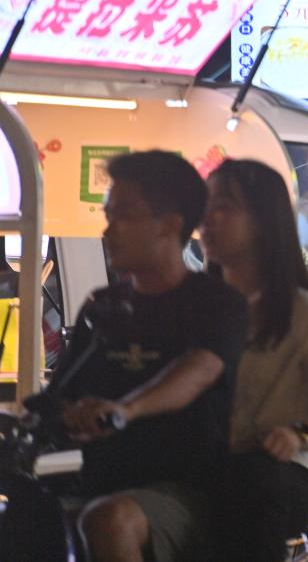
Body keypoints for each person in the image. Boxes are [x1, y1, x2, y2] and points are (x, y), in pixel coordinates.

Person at [52, 151, 248, 562]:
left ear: (170, 224)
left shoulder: (217, 304)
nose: (109, 230)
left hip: (186, 494)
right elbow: (60, 393)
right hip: (97, 484)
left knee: (108, 521)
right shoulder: (103, 306)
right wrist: (69, 414)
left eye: (124, 215)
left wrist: (126, 410)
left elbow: (198, 371)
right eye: (109, 216)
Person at [200, 159, 308, 562]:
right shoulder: (198, 309)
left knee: (248, 482)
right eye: (206, 206)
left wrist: (297, 434)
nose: (208, 218)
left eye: (224, 207)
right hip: (212, 466)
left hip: (278, 474)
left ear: (263, 220)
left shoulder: (305, 315)